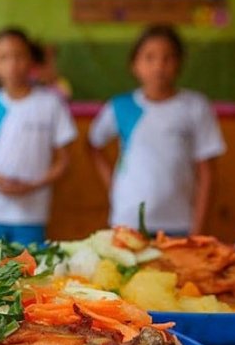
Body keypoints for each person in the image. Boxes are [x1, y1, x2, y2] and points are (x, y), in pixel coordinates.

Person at [89, 25, 225, 236]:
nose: (159, 66)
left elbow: (207, 173)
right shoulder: (120, 106)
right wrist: (112, 183)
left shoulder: (195, 106)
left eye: (168, 58)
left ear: (179, 63)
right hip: (128, 220)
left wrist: (198, 229)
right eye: (149, 57)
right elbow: (93, 145)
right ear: (135, 64)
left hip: (179, 222)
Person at [0, 27, 77, 256]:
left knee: (29, 282)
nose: (12, 64)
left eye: (19, 55)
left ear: (31, 60)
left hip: (31, 214)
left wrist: (34, 184)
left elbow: (65, 160)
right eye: (3, 57)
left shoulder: (50, 104)